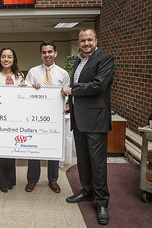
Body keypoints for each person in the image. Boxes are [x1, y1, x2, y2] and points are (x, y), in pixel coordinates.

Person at [61, 28, 114, 225]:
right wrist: (69, 103)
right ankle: (87, 191)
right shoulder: (78, 61)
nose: (86, 43)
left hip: (95, 120)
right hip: (79, 119)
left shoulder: (105, 59)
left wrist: (72, 91)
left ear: (95, 40)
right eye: (82, 40)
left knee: (97, 164)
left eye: (89, 40)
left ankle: (102, 203)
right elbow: (78, 88)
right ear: (78, 42)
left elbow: (98, 85)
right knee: (83, 160)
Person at [24, 40, 70, 194]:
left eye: (50, 52)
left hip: (55, 118)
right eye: (44, 52)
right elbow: (24, 93)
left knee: (52, 148)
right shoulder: (33, 72)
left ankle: (53, 179)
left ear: (55, 53)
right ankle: (32, 180)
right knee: (34, 147)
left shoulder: (63, 73)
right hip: (36, 117)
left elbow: (68, 97)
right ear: (41, 54)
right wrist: (32, 88)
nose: (47, 55)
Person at [0, 47, 24, 193]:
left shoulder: (19, 76)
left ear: (14, 59)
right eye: (3, 57)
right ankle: (0, 181)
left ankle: (10, 180)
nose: (6, 59)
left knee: (11, 149)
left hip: (14, 118)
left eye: (9, 57)